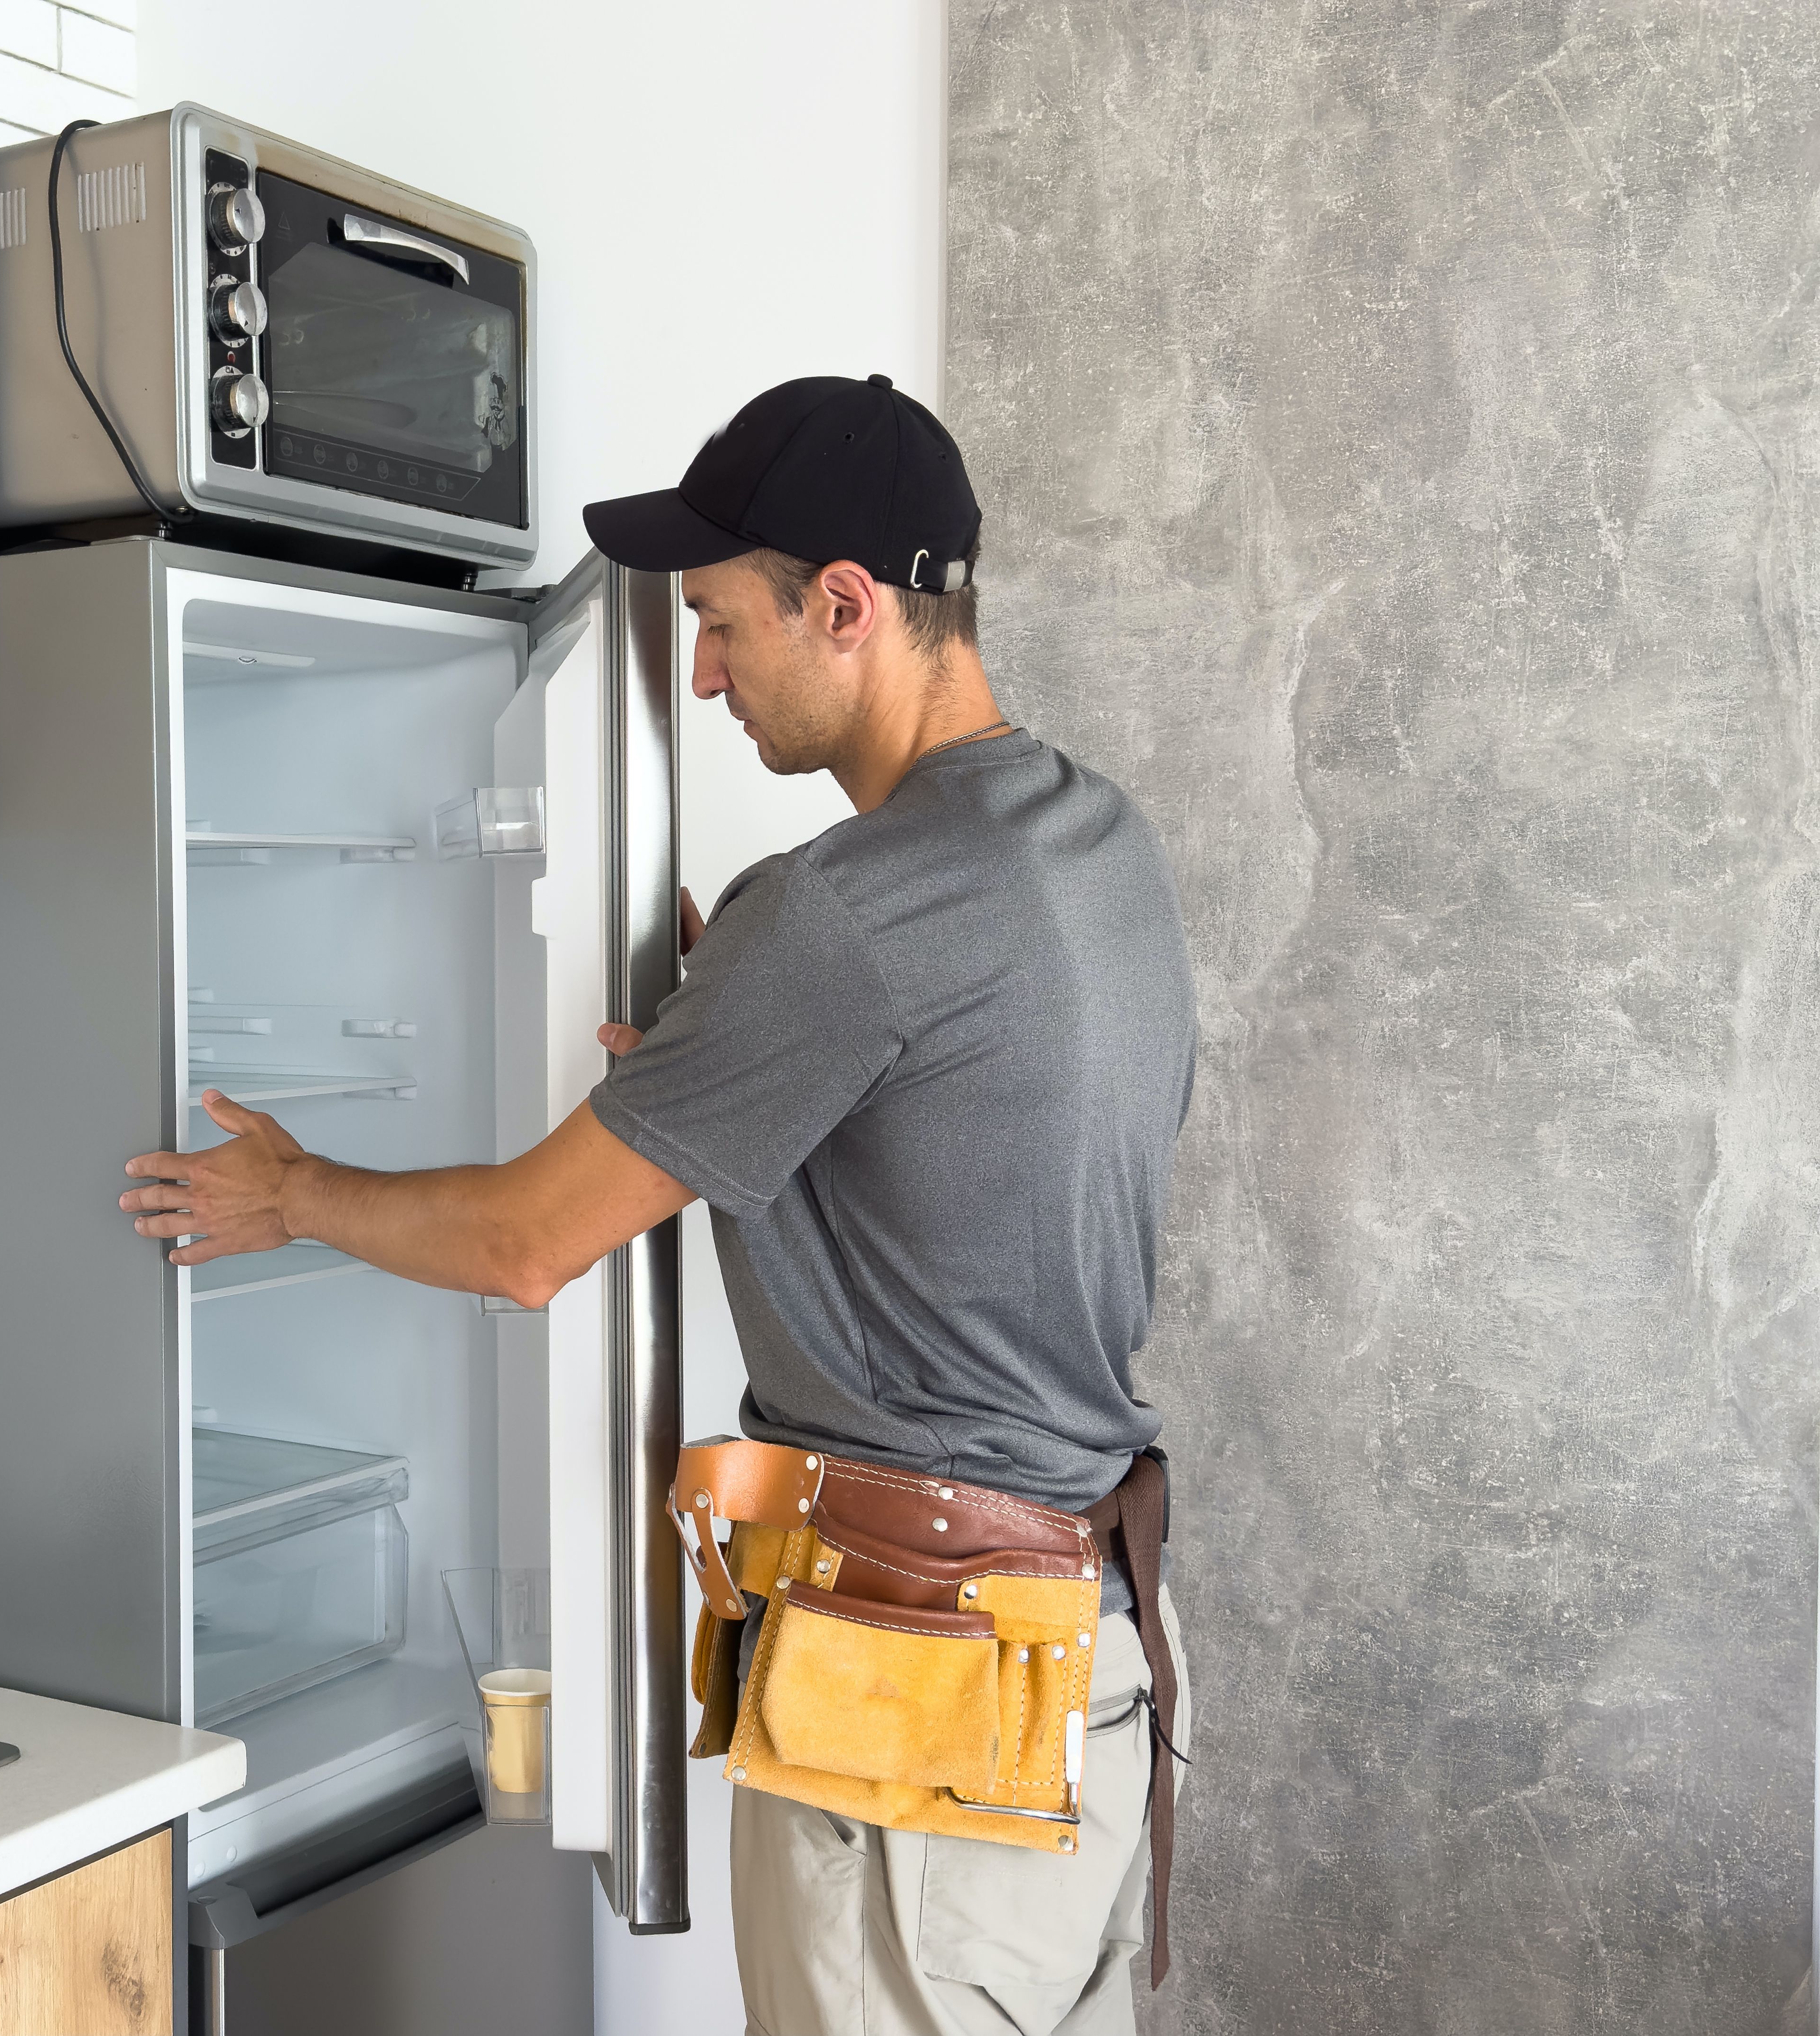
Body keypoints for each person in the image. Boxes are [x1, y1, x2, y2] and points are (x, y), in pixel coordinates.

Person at [119, 374, 1198, 2036]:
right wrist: (748, 1030)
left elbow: (525, 1243)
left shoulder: (845, 919)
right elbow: (965, 1145)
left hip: (914, 1725)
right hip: (1078, 1678)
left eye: (719, 623)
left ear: (846, 607)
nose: (699, 673)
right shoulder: (1097, 844)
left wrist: (291, 1190)